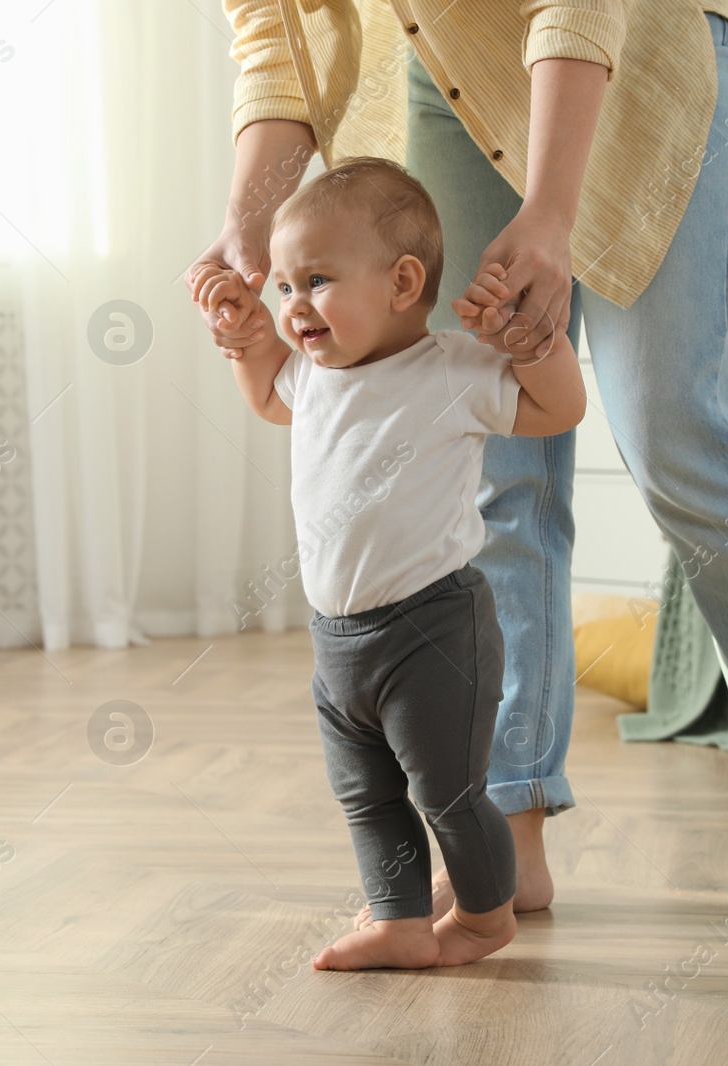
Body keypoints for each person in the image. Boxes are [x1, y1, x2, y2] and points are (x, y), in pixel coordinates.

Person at [191, 0, 728, 914]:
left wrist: (552, 212)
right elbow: (276, 36)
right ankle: (508, 812)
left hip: (638, 47)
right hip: (442, 75)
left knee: (681, 439)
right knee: (488, 465)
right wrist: (248, 220)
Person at [196, 156, 586, 969]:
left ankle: (485, 914)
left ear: (404, 283)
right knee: (365, 794)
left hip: (434, 629)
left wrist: (533, 339)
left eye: (317, 281)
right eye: (285, 289)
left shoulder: (452, 368)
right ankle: (399, 918)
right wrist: (245, 337)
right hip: (337, 640)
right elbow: (268, 394)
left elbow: (557, 406)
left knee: (447, 793)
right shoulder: (310, 374)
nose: (295, 306)